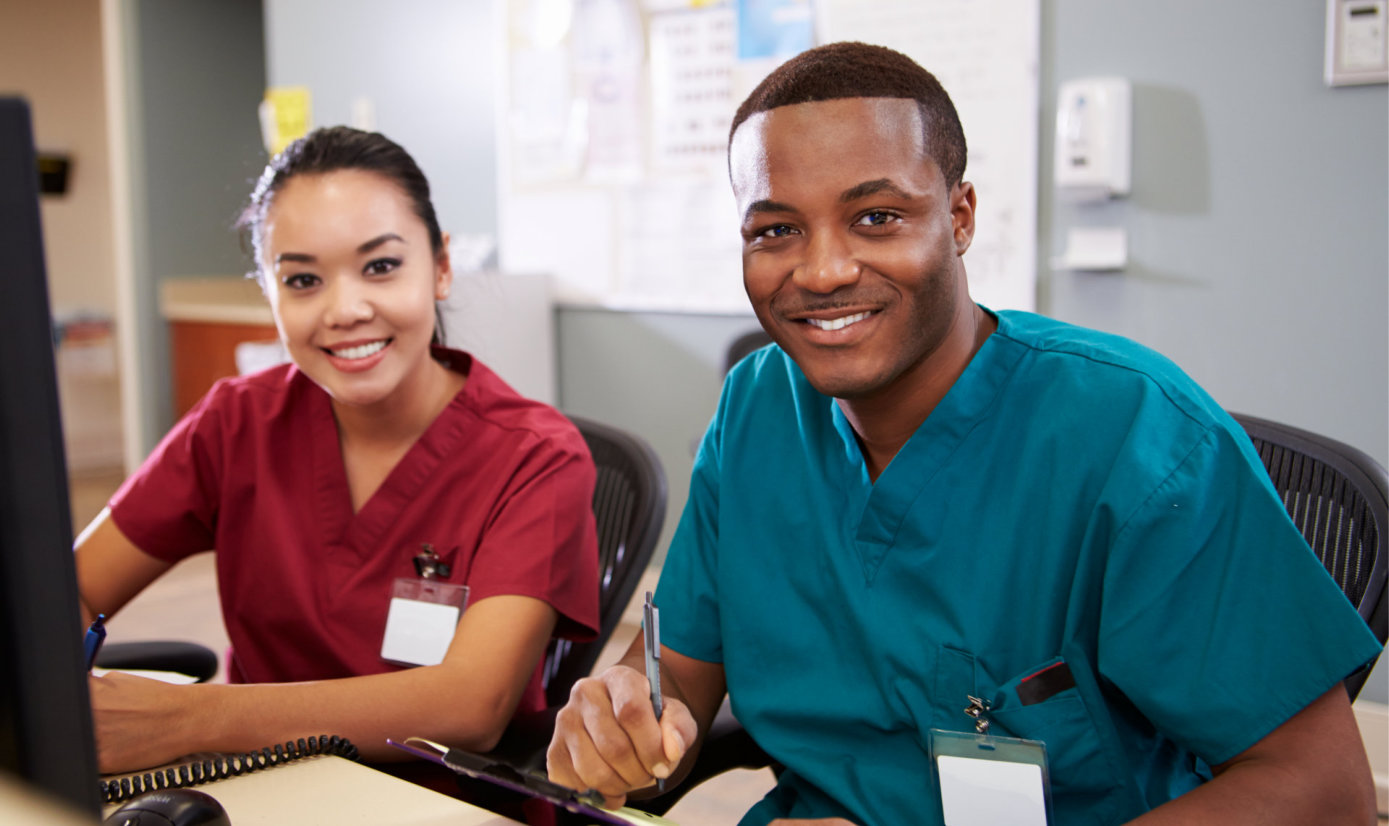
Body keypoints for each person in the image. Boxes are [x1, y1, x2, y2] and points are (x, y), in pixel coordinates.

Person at [546, 42, 1382, 825]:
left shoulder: (1135, 436)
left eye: (876, 217)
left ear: (959, 217)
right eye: (775, 229)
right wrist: (623, 710)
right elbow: (682, 672)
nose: (823, 270)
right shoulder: (756, 408)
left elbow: (1322, 791)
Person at [75, 127, 600, 788]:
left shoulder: (535, 458)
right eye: (301, 279)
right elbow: (71, 586)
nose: (345, 309)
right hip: (263, 790)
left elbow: (472, 706)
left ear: (440, 267)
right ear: (268, 291)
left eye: (380, 266)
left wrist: (184, 719)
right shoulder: (235, 424)